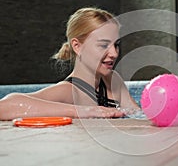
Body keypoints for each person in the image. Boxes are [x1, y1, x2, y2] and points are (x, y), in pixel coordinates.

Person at [0, 7, 140, 120]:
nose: (114, 54)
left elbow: (140, 117)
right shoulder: (68, 91)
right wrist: (84, 111)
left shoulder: (113, 81)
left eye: (116, 45)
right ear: (77, 46)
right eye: (103, 45)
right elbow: (5, 106)